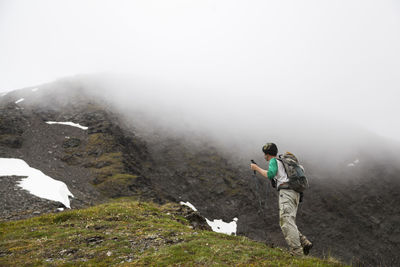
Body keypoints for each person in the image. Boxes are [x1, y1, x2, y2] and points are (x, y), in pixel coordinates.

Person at [250, 143, 313, 256]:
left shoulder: (274, 161)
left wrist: (256, 168)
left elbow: (270, 174)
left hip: (286, 193)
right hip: (295, 194)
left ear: (267, 154)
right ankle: (304, 242)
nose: (264, 156)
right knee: (288, 220)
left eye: (264, 154)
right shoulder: (283, 162)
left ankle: (297, 253)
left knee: (286, 222)